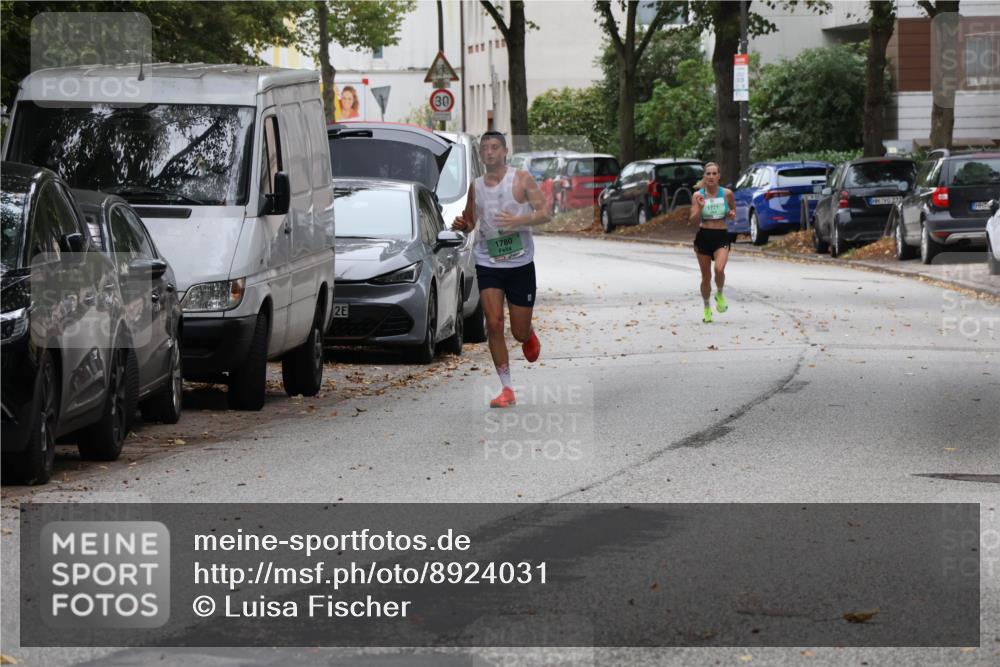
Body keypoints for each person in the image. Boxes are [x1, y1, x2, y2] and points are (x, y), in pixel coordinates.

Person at [451, 131, 550, 408]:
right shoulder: (476, 186)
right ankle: (507, 389)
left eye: (495, 147)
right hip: (488, 262)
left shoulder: (521, 179)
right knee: (493, 323)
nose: (489, 152)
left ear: (505, 152)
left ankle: (527, 334)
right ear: (481, 155)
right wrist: (462, 224)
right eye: (485, 148)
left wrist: (519, 220)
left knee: (517, 332)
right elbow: (471, 221)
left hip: (520, 264)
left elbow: (545, 212)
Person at [689, 162, 737, 324]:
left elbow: (733, 210)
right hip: (704, 236)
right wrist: (701, 208)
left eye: (714, 173)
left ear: (719, 176)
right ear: (704, 176)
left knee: (719, 268)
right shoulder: (698, 196)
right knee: (706, 277)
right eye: (708, 174)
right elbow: (693, 220)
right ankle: (707, 307)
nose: (711, 177)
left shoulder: (727, 193)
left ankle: (720, 294)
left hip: (721, 235)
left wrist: (731, 214)